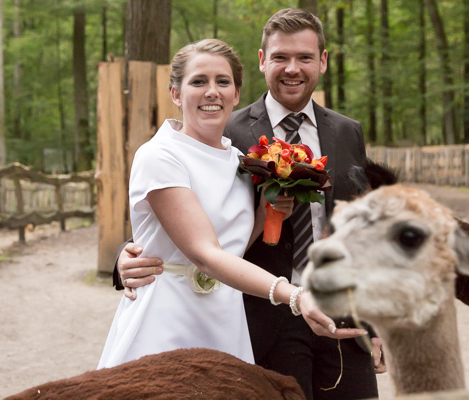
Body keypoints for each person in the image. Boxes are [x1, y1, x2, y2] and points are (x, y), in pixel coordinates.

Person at [113, 9, 386, 399]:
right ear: (262, 61)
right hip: (263, 320)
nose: (292, 69)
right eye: (280, 57)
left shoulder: (347, 131)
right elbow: (179, 219)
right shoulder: (228, 131)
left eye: (304, 57)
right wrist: (126, 257)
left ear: (322, 62)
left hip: (342, 316)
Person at [97, 38, 332, 369]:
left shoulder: (239, 159)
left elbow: (230, 245)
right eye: (198, 81)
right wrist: (292, 294)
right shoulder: (160, 155)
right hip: (168, 312)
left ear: (236, 94)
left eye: (223, 82)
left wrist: (267, 212)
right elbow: (205, 253)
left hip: (225, 315)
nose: (212, 91)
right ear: (176, 94)